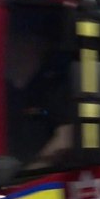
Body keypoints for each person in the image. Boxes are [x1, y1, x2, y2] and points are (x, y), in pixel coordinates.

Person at [4, 31, 73, 169]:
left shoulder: (56, 87)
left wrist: (27, 174)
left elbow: (66, 138)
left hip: (34, 179)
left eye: (23, 43)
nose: (12, 51)